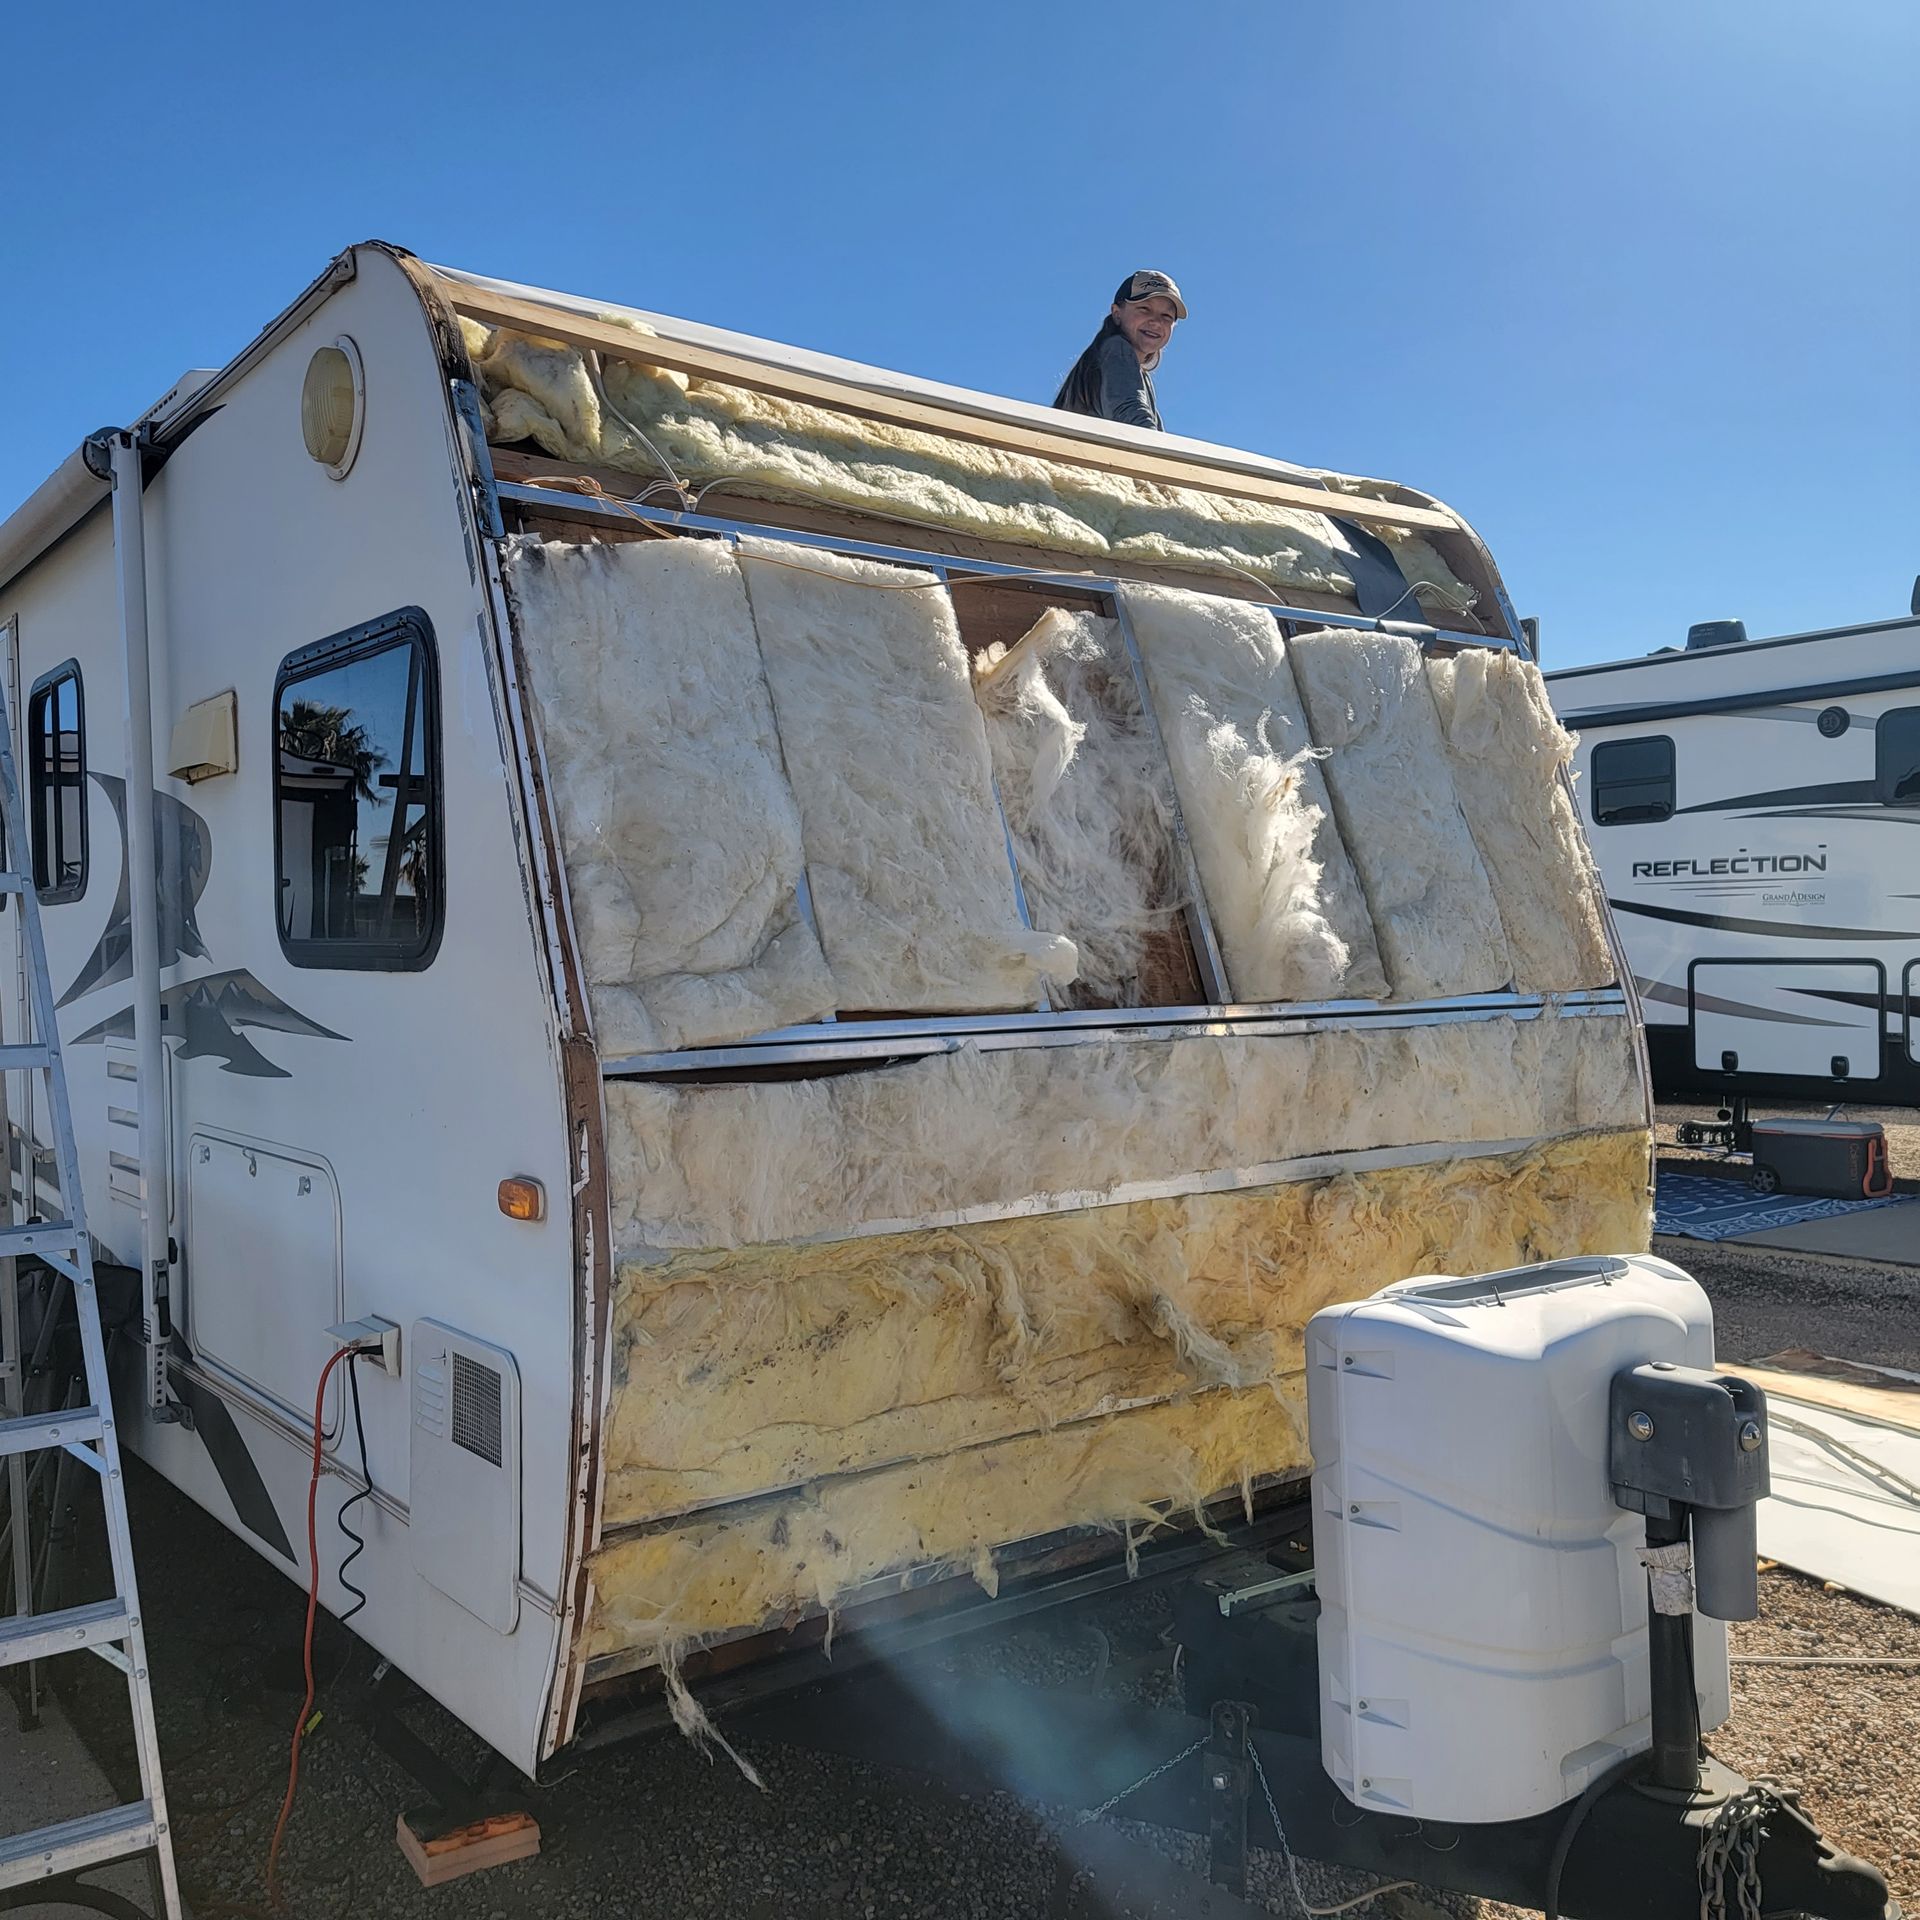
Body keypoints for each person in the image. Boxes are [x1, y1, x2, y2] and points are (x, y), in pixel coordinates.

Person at [1052, 271, 1187, 430]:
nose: (1156, 322)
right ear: (1117, 314)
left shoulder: (1135, 371)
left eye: (1166, 316)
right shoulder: (1116, 349)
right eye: (1144, 309)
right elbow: (1131, 415)